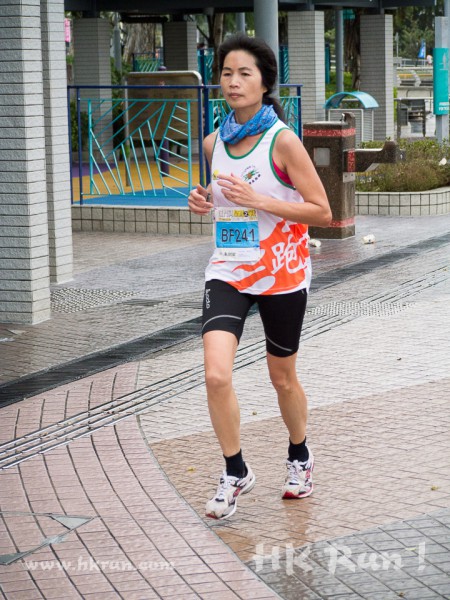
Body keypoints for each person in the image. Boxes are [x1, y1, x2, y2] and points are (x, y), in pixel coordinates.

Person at [188, 33, 332, 520]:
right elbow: (219, 201)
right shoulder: (213, 143)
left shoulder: (283, 141)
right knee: (215, 373)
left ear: (265, 82)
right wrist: (201, 201)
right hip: (229, 268)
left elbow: (322, 211)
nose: (233, 81)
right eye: (226, 73)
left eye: (244, 73)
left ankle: (299, 455)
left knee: (282, 377)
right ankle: (235, 470)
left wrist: (261, 201)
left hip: (282, 275)